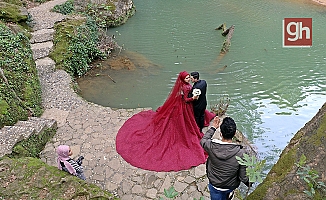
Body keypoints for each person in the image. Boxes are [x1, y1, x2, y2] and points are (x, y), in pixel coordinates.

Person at [116, 71, 208, 172]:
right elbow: (186, 100)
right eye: (186, 78)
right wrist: (193, 98)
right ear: (182, 79)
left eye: (188, 78)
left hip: (184, 104)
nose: (188, 79)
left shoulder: (186, 85)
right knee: (182, 121)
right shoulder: (185, 87)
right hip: (185, 104)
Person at [200, 117, 251, 200]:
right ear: (234, 134)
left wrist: (213, 128)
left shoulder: (211, 146)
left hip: (214, 184)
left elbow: (203, 140)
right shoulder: (241, 153)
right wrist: (250, 183)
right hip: (230, 186)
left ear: (220, 133)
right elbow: (242, 177)